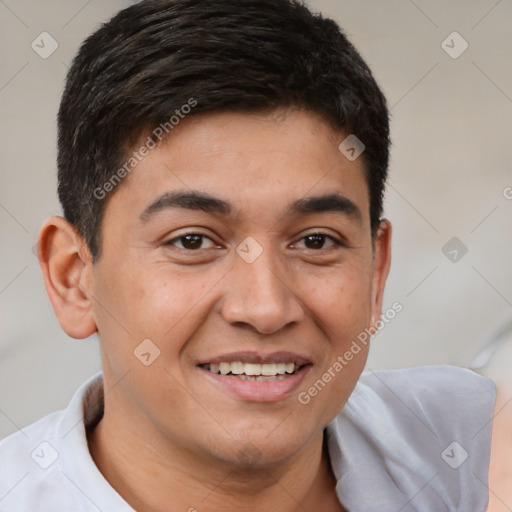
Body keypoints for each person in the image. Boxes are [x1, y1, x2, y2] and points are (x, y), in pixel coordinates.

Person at [0, 1, 495, 510]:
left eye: (316, 241)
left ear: (376, 272)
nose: (265, 309)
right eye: (192, 241)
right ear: (72, 278)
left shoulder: (469, 449)